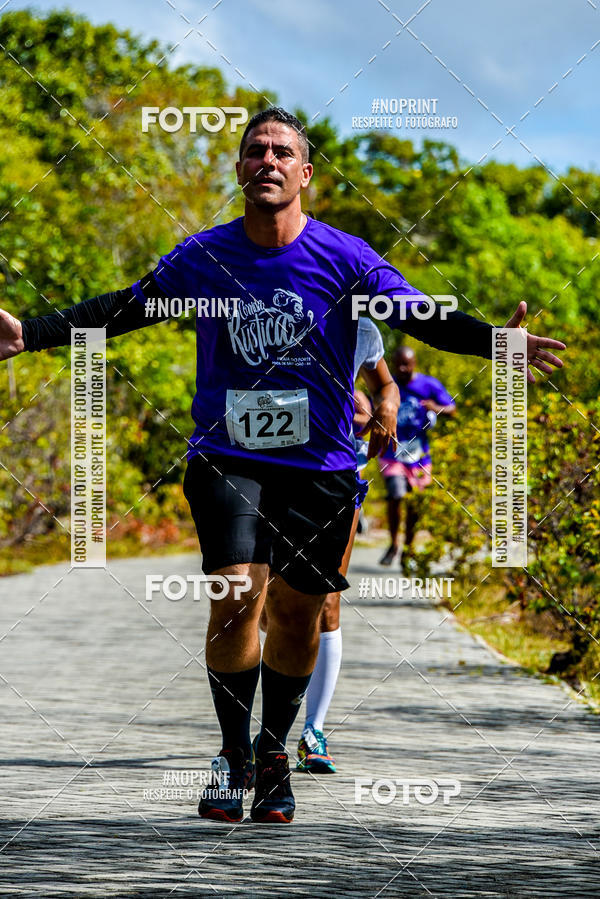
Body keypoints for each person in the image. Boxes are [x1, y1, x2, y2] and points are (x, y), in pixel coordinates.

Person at [0, 107, 567, 825]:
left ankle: (275, 752)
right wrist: (32, 334)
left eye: (282, 151)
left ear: (304, 173)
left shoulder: (346, 258)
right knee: (238, 591)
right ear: (240, 170)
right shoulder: (205, 258)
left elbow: (422, 315)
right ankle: (234, 753)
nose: (266, 159)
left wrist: (495, 343)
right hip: (228, 453)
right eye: (254, 150)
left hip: (321, 465)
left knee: (298, 614)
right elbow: (128, 308)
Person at [296, 317, 398, 774]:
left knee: (326, 601)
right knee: (261, 606)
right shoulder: (255, 296)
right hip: (259, 468)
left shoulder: (360, 327)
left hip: (337, 471)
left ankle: (311, 730)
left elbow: (385, 383)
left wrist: (385, 406)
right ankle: (266, 718)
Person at [379, 345, 456, 571]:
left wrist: (435, 407)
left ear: (414, 364)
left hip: (419, 455)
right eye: (398, 364)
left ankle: (408, 548)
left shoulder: (428, 384)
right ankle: (393, 543)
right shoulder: (387, 384)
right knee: (396, 495)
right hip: (391, 453)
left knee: (415, 503)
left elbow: (452, 408)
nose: (402, 368)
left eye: (407, 364)